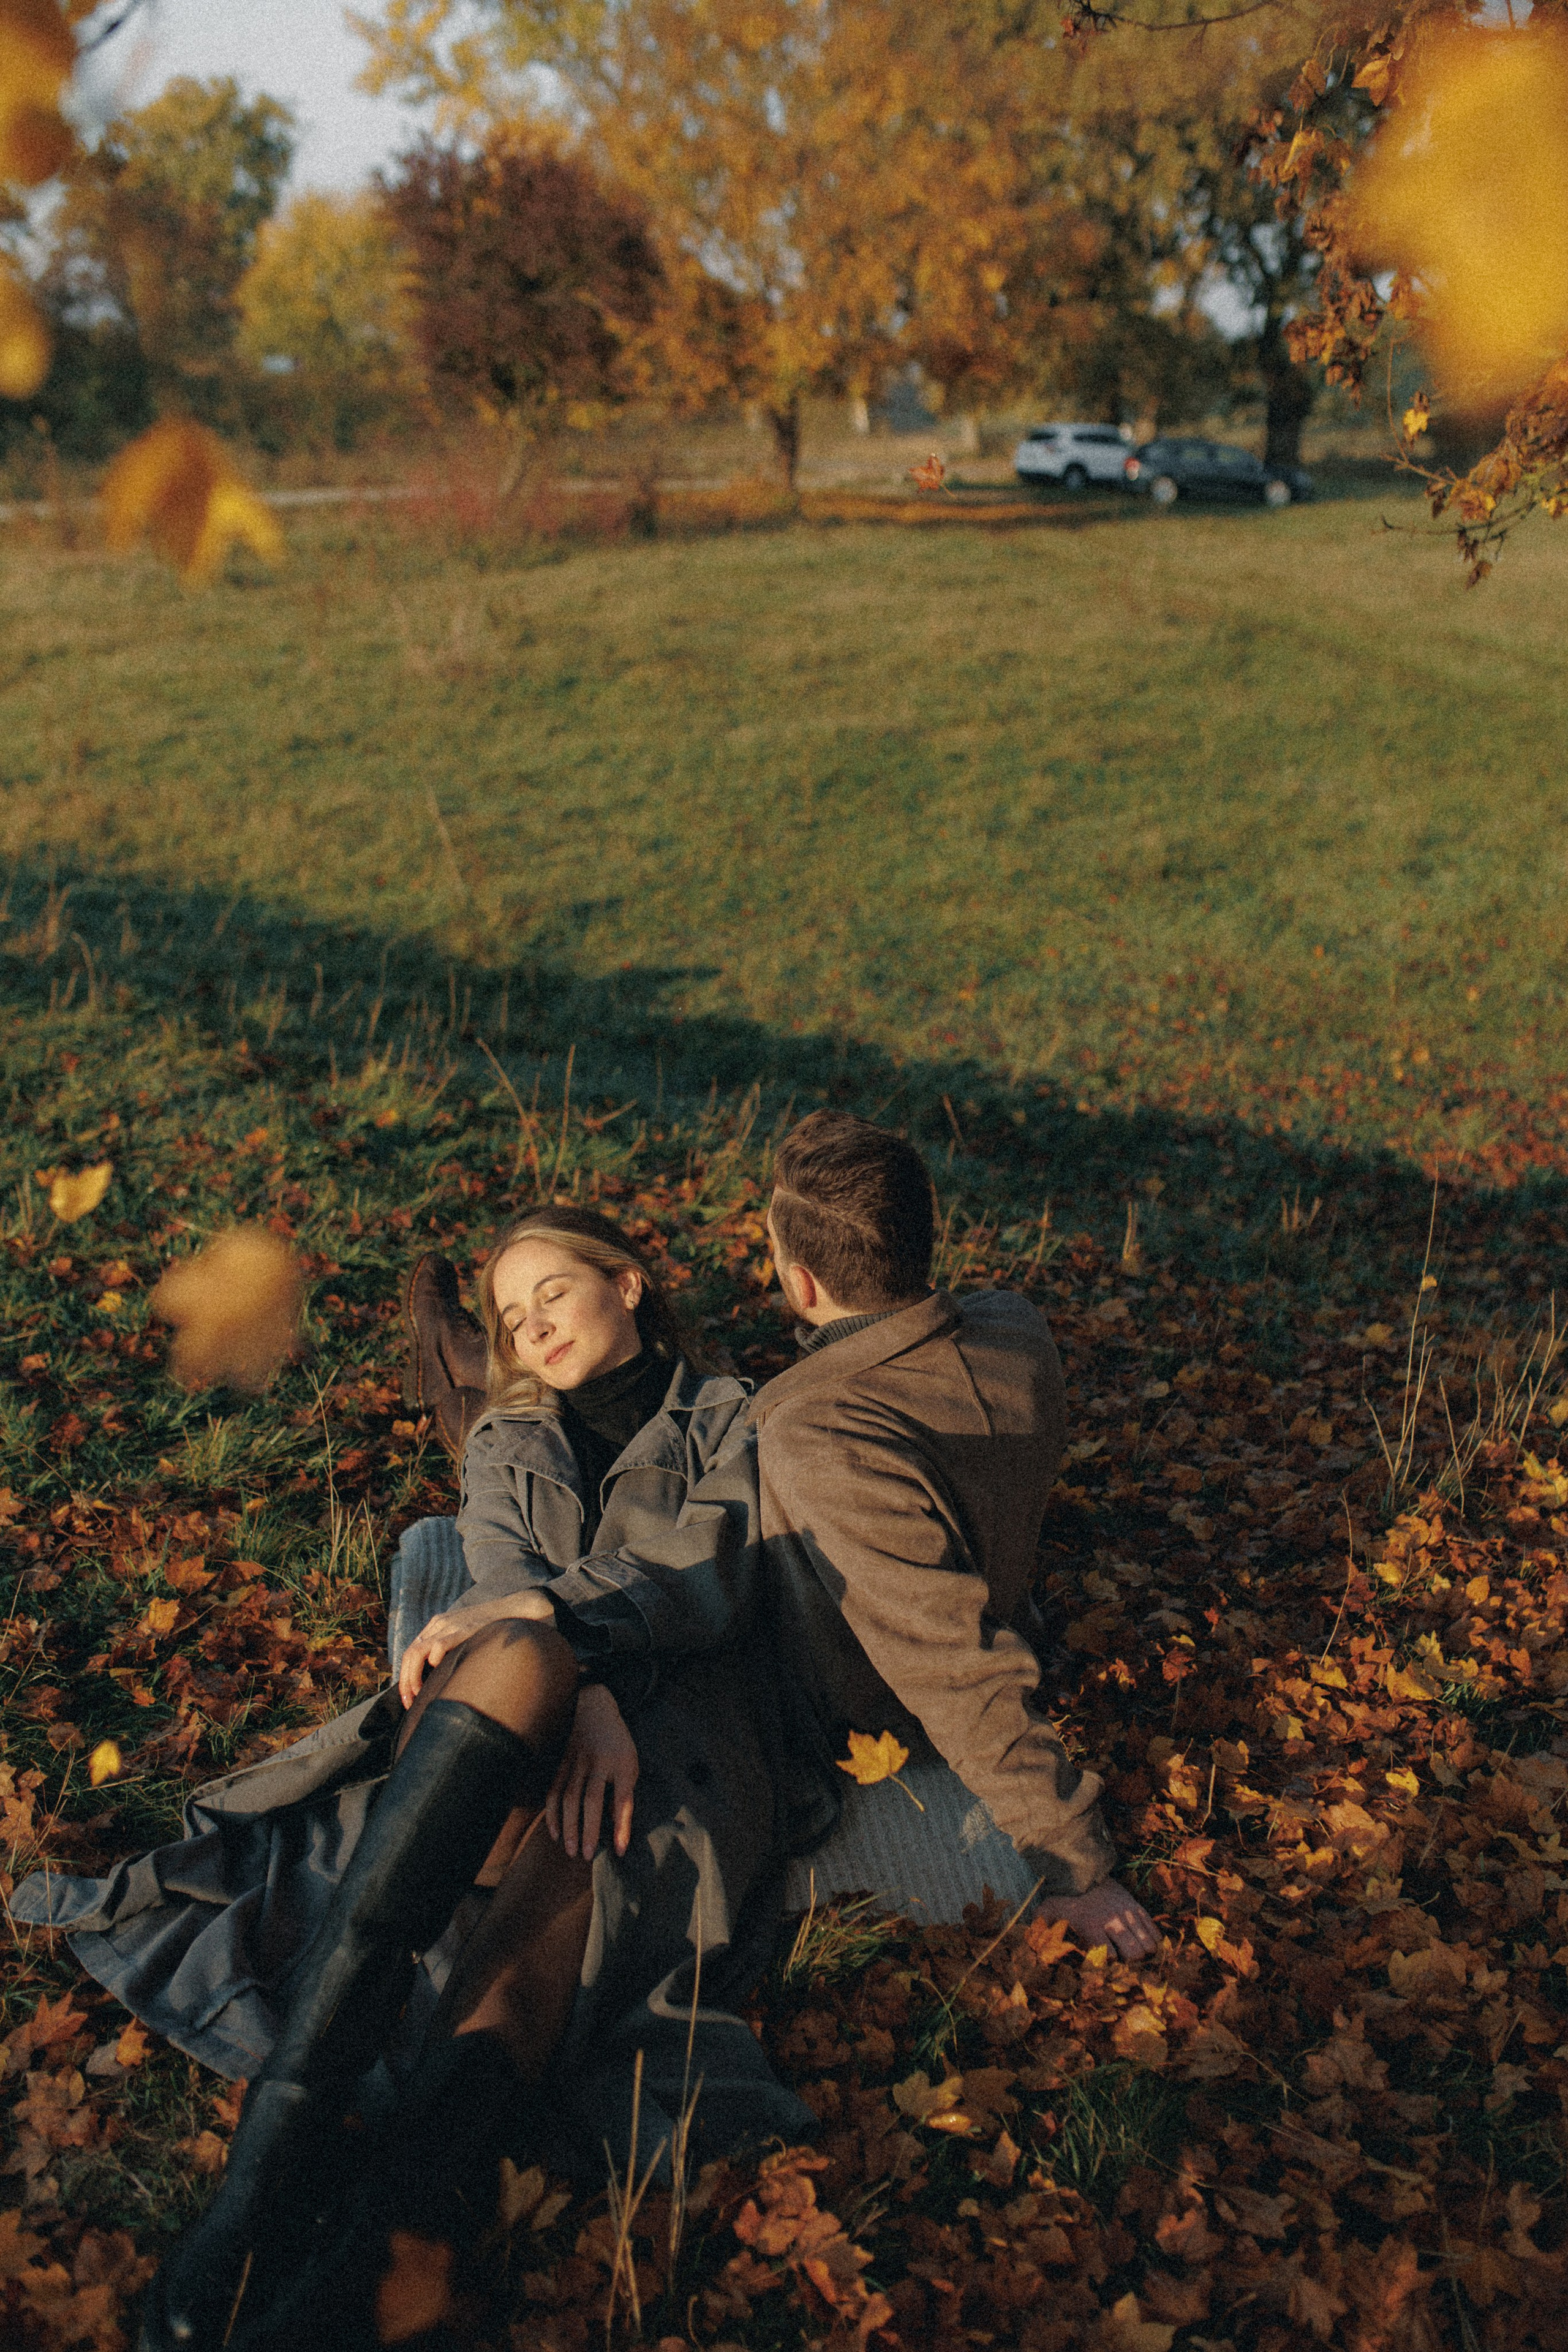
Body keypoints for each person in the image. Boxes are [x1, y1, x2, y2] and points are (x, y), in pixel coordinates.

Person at [12, 1207, 816, 2352]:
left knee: (593, 1862)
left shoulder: (731, 1416)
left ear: (628, 1283)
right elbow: (501, 1579)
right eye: (509, 1315)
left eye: (552, 1292)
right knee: (520, 1653)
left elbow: (710, 1574)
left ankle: (397, 2237)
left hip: (678, 1728)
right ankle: (267, 2171)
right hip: (529, 1708)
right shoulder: (503, 1436)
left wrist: (582, 1655)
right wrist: (578, 1676)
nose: (533, 1326)